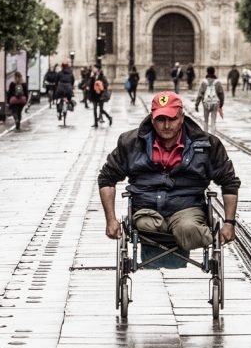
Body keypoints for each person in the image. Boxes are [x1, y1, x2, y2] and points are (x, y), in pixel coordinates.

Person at [98, 91, 239, 252]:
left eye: (172, 119)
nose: (166, 125)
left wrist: (229, 223)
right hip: (146, 208)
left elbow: (229, 181)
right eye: (160, 119)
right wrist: (111, 220)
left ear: (182, 118)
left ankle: (186, 232)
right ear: (152, 119)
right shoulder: (130, 142)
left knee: (187, 229)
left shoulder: (207, 144)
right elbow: (106, 178)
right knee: (145, 225)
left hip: (187, 208)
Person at [195, 66, 224, 135]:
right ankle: (213, 136)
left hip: (206, 103)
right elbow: (221, 94)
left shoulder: (204, 82)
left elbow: (200, 94)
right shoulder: (218, 82)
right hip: (215, 103)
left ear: (207, 72)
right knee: (213, 121)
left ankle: (206, 135)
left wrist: (197, 104)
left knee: (206, 121)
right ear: (214, 72)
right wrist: (221, 104)